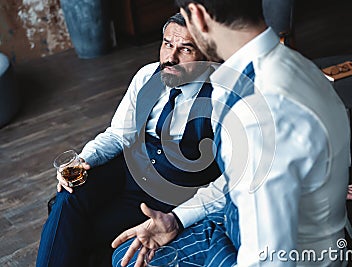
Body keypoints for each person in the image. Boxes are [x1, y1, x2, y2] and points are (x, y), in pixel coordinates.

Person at [111, 1, 352, 266]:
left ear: (198, 15)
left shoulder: (260, 111)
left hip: (294, 256)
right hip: (235, 222)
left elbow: (269, 258)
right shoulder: (292, 63)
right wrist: (177, 218)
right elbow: (238, 177)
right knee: (125, 256)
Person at [36, 13, 222, 267]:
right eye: (167, 44)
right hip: (129, 179)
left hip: (174, 199)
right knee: (68, 196)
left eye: (185, 49)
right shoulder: (147, 77)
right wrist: (83, 159)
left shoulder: (221, 95)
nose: (170, 58)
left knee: (89, 240)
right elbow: (118, 134)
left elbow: (229, 180)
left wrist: (180, 217)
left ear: (207, 53)